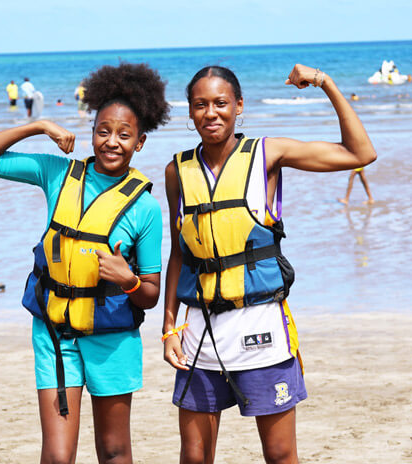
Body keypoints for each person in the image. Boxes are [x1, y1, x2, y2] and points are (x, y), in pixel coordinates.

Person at [163, 64, 376, 464]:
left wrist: (325, 82)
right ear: (190, 112)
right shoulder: (177, 171)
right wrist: (168, 326)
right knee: (194, 458)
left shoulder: (268, 155)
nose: (211, 113)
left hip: (261, 329)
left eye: (221, 103)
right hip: (199, 332)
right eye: (200, 104)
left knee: (279, 455)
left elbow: (360, 153)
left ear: (239, 106)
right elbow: (178, 252)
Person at [0, 62, 170, 464]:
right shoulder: (57, 173)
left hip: (112, 339)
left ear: (140, 142)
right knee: (57, 456)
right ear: (91, 131)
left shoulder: (146, 208)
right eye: (103, 131)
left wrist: (127, 280)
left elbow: (150, 295)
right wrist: (39, 126)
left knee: (113, 450)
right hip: (55, 334)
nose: (112, 142)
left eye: (124, 135)